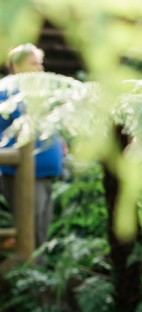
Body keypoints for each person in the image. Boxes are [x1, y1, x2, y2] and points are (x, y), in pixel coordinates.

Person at [0, 43, 65, 249]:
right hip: (23, 175)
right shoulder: (6, 93)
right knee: (31, 234)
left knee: (41, 232)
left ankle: (36, 277)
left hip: (45, 172)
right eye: (33, 64)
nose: (39, 69)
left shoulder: (41, 92)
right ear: (16, 66)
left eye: (40, 64)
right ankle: (29, 277)